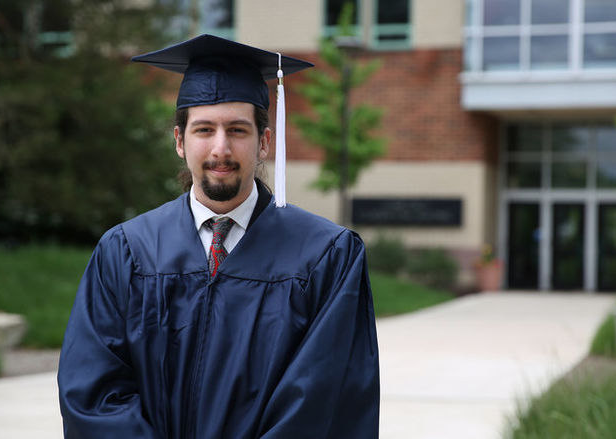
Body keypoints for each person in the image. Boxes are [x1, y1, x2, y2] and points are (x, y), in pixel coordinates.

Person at [57, 35, 380, 439]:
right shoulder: (126, 252)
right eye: (204, 129)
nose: (221, 148)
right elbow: (94, 391)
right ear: (180, 141)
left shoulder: (325, 258)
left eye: (238, 130)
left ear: (264, 142)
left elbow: (323, 402)